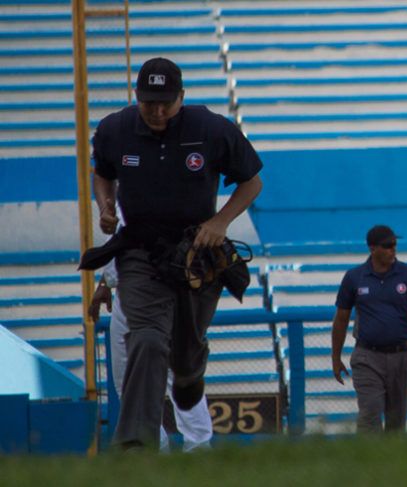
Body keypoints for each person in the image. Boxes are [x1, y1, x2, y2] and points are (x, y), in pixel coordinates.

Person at [90, 57, 263, 449]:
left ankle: (188, 380)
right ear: (137, 97)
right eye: (150, 101)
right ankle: (137, 444)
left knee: (185, 360)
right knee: (147, 339)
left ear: (181, 97)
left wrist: (219, 222)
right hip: (140, 252)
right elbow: (102, 172)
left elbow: (252, 182)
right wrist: (105, 206)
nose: (158, 110)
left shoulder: (211, 129)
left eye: (166, 101)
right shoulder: (115, 130)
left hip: (196, 255)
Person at [89, 259, 213, 452]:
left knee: (179, 376)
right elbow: (120, 241)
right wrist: (104, 282)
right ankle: (152, 446)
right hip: (126, 293)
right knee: (126, 381)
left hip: (164, 290)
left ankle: (198, 449)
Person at [331, 225, 407, 433]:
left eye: (395, 245)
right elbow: (341, 319)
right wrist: (336, 357)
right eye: (387, 246)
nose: (393, 249)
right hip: (367, 356)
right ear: (372, 248)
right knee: (369, 412)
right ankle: (367, 460)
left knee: (396, 421)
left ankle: (391, 462)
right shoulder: (354, 277)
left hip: (402, 355)